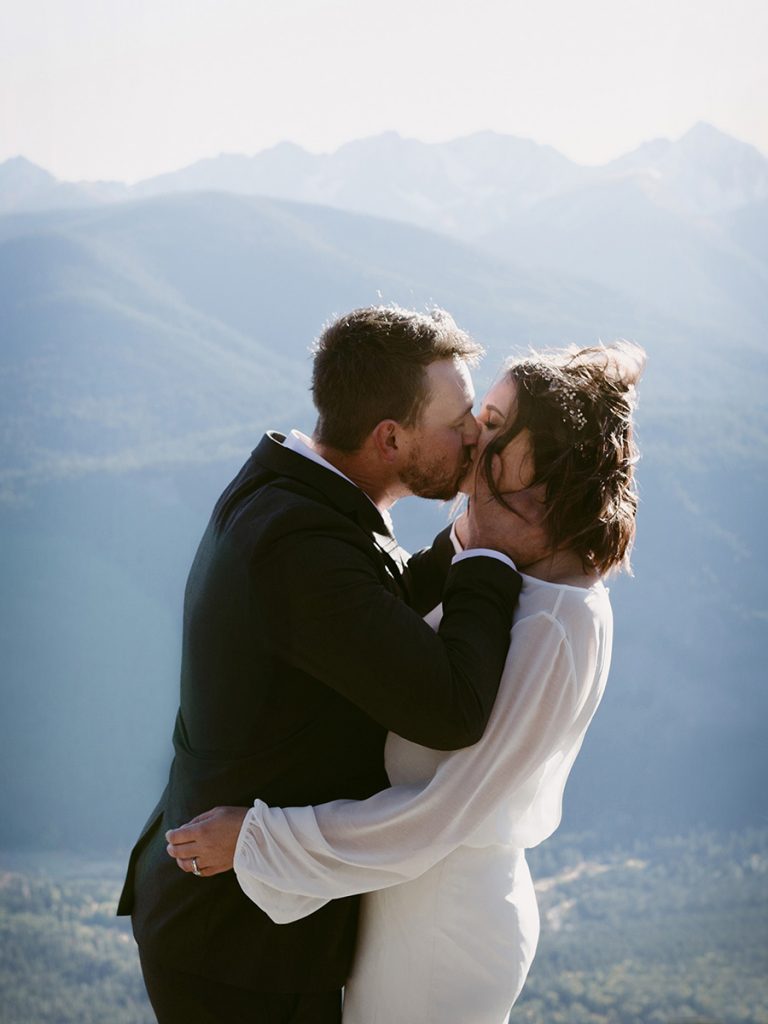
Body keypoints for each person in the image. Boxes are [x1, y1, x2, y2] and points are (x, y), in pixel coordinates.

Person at [165, 340, 645, 1023]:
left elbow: (436, 814)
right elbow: (401, 621)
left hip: (439, 932)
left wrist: (256, 839)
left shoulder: (557, 624)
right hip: (400, 906)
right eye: (482, 414)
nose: (477, 433)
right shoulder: (513, 571)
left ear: (548, 471)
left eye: (500, 426)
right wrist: (476, 544)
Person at [118, 305, 527, 1024]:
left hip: (238, 915)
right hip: (240, 946)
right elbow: (452, 707)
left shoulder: (297, 491)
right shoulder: (300, 546)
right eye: (458, 420)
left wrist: (462, 538)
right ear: (390, 438)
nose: (475, 436)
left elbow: (378, 594)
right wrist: (491, 550)